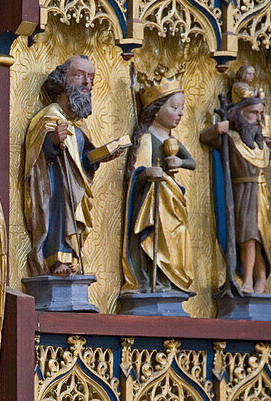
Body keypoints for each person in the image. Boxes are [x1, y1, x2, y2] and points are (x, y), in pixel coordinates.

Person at [22, 55, 119, 276]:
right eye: (79, 75)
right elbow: (37, 155)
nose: (87, 82)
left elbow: (83, 162)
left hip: (75, 189)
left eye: (91, 78)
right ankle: (56, 258)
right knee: (59, 206)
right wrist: (53, 141)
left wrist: (101, 156)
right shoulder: (49, 116)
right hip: (53, 186)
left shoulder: (80, 125)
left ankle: (71, 257)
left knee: (73, 210)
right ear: (62, 81)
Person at [122, 75, 195, 294]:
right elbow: (134, 173)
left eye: (182, 108)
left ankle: (172, 280)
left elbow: (191, 162)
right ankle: (154, 278)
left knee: (177, 236)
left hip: (172, 200)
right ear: (156, 109)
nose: (180, 113)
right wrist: (146, 173)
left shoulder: (171, 139)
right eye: (174, 107)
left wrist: (179, 161)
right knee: (155, 237)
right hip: (153, 202)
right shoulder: (146, 138)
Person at [200, 94, 271, 293]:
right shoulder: (233, 140)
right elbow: (206, 138)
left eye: (261, 113)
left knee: (258, 238)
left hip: (259, 192)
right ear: (241, 116)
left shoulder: (259, 144)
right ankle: (250, 281)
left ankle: (258, 280)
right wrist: (218, 128)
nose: (258, 118)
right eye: (253, 113)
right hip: (241, 191)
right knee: (247, 238)